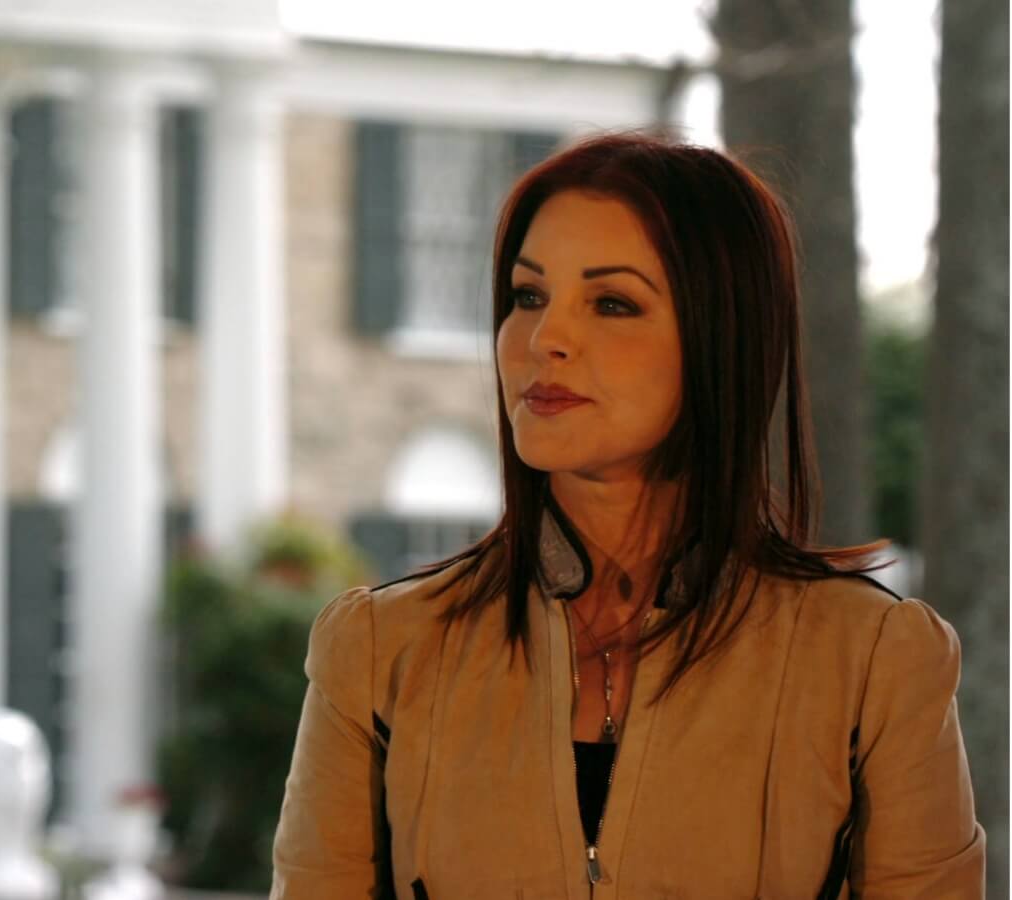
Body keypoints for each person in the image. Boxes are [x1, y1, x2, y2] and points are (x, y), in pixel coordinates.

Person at [269, 132, 986, 899]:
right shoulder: (378, 652)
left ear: (721, 336)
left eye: (612, 303)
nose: (547, 340)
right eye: (528, 296)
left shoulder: (874, 662)